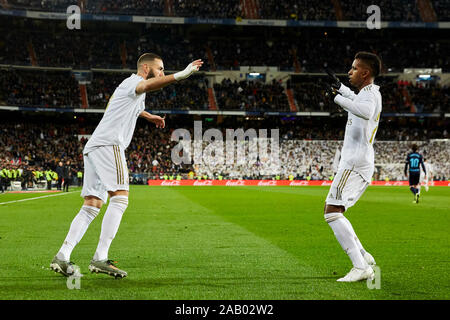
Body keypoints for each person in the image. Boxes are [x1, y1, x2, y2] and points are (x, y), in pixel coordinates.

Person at [50, 53, 203, 278]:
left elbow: (130, 106)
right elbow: (148, 85)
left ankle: (62, 256)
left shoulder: (128, 86)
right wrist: (181, 74)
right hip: (110, 145)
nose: (161, 72)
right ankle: (100, 258)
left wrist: (149, 116)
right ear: (145, 67)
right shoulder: (135, 83)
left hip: (95, 146)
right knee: (120, 198)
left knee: (92, 205)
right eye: (159, 68)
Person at [322, 52, 382, 282]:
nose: (350, 71)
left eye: (355, 68)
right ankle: (364, 256)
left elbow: (364, 111)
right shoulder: (369, 92)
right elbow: (358, 103)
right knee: (336, 211)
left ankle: (360, 267)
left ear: (365, 73)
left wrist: (336, 98)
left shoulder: (369, 96)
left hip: (354, 162)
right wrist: (340, 88)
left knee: (331, 212)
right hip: (358, 160)